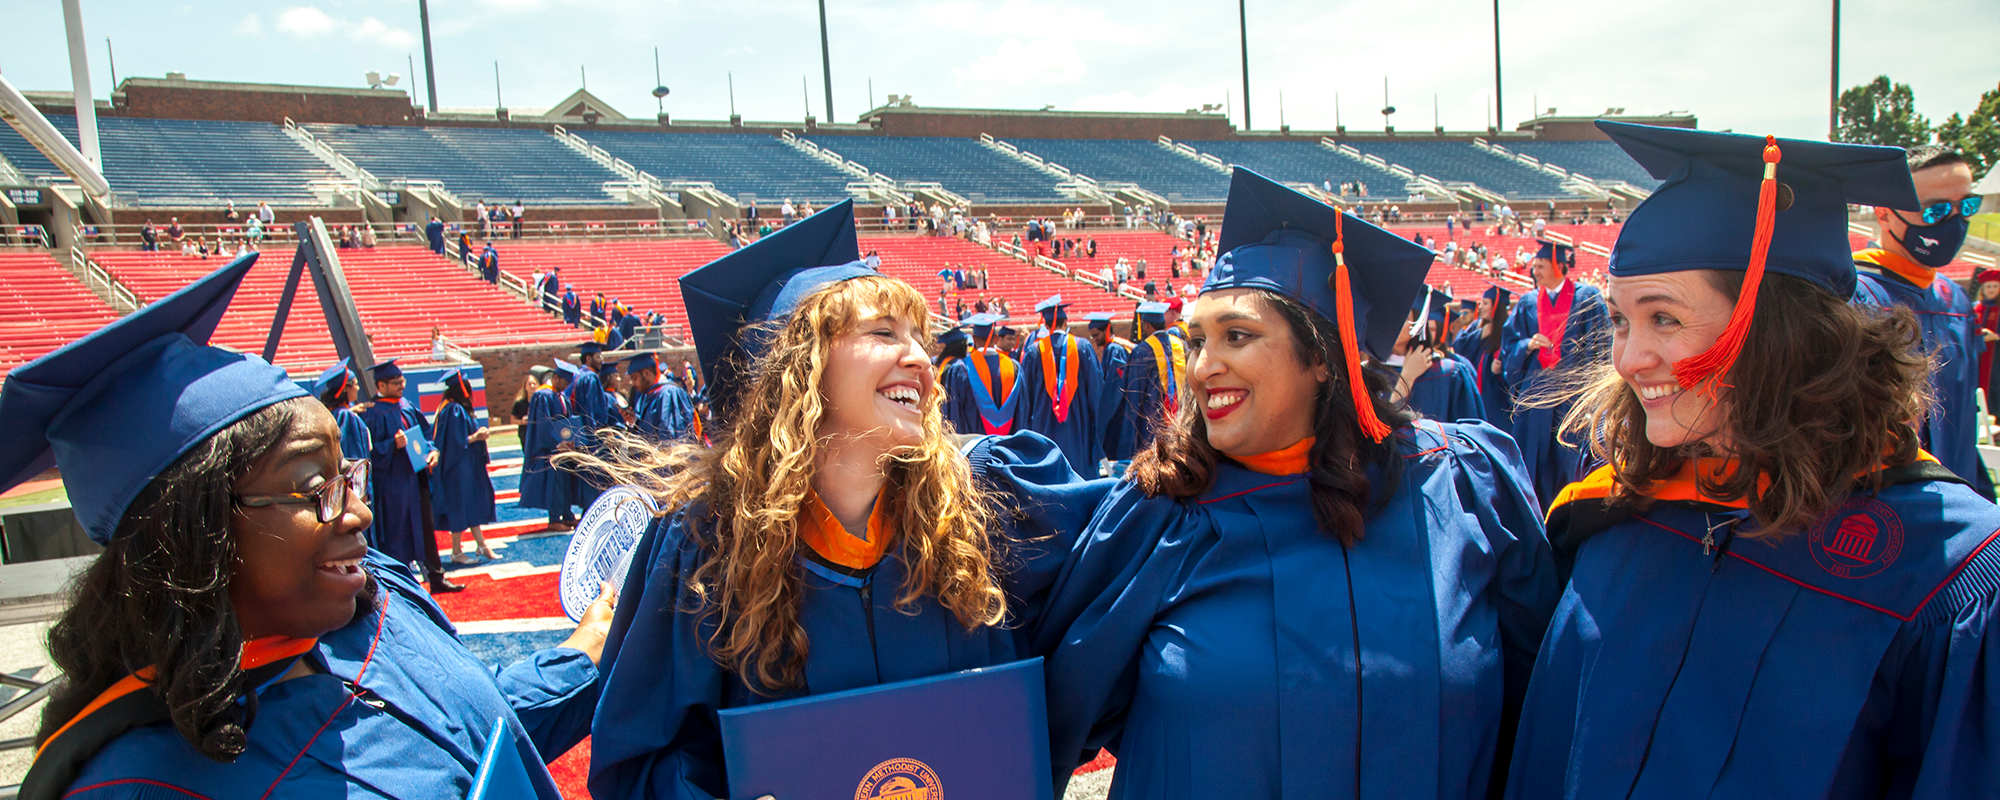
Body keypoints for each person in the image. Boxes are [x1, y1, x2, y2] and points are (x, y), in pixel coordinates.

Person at [1506, 120, 2000, 798]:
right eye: (1620, 320)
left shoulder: (1946, 575)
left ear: (1781, 330)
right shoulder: (1612, 520)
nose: (1628, 359)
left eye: (1665, 319)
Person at [5, 255, 612, 800]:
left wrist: (580, 658)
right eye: (316, 489)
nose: (359, 513)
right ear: (195, 538)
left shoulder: (376, 603)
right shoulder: (142, 785)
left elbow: (477, 728)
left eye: (346, 477)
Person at [1039, 169, 1556, 799]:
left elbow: (1545, 716)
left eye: (1238, 335)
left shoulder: (1461, 488)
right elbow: (1038, 717)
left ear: (1321, 356)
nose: (1203, 366)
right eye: (1197, 340)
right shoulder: (1160, 517)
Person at [584, 200, 1110, 800]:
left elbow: (1122, 576)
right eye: (884, 332)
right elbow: (646, 760)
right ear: (799, 369)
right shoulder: (706, 551)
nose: (920, 357)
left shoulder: (985, 508)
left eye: (919, 337)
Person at [1852, 144, 1992, 496]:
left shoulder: (1955, 299)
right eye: (1935, 211)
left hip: (1959, 492)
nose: (1954, 222)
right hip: (1885, 505)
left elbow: (1962, 419)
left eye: (1967, 207)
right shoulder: (1854, 295)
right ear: (1884, 214)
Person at [1501, 239, 1611, 506]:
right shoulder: (1527, 302)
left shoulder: (1588, 297)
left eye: (1540, 266)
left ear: (1558, 266)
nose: (1534, 272)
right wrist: (1527, 344)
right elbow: (1509, 345)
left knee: (1570, 461)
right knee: (1532, 462)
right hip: (1537, 398)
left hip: (1573, 396)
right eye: (1534, 266)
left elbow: (1603, 345)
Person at [357, 359, 462, 593]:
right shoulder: (372, 413)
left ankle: (436, 577)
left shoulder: (407, 405)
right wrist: (390, 445)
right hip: (393, 484)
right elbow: (368, 452)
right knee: (398, 532)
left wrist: (433, 450)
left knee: (426, 528)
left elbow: (425, 435)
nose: (401, 386)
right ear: (381, 385)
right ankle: (402, 585)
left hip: (417, 480)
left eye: (402, 381)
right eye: (396, 383)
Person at [1013, 295, 1104, 469]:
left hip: (1043, 426)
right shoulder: (1082, 347)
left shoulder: (1034, 351)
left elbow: (1026, 398)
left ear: (1046, 325)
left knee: (1048, 473)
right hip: (1078, 427)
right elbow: (1095, 391)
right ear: (1066, 322)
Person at [432, 370, 498, 565]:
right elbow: (455, 442)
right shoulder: (454, 410)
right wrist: (476, 437)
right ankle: (455, 551)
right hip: (458, 468)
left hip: (466, 465)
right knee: (460, 506)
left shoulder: (453, 408)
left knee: (469, 504)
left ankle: (481, 545)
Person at [1394, 287, 1484, 423]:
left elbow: (1471, 433)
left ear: (1419, 323)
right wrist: (1407, 377)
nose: (1392, 323)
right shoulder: (1367, 374)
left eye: (1404, 317)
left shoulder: (1450, 373)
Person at [941, 313, 1023, 436]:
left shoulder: (961, 370)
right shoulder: (1014, 368)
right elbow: (1023, 412)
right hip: (1007, 448)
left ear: (973, 339)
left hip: (974, 450)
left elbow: (954, 416)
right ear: (996, 338)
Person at [1121, 302, 1186, 454]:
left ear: (1147, 325)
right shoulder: (1181, 345)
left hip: (1152, 423)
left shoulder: (1143, 351)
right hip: (1180, 418)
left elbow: (1134, 396)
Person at [521, 361, 578, 532]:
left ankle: (567, 515)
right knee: (555, 485)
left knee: (566, 482)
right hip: (552, 449)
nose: (567, 386)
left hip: (564, 448)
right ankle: (554, 518)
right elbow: (543, 424)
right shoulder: (543, 395)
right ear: (555, 378)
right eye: (564, 382)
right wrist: (557, 443)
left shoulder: (561, 396)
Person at [1453, 285, 1516, 434]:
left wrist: (1501, 371)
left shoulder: (1509, 329)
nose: (1481, 307)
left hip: (1497, 399)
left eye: (1486, 303)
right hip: (1478, 394)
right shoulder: (1477, 326)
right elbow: (1459, 347)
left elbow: (1517, 360)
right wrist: (1480, 334)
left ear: (1496, 306)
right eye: (1481, 303)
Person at [1085, 312, 1135, 463]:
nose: (1095, 339)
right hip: (1116, 411)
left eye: (1097, 335)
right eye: (1092, 336)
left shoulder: (1115, 350)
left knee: (1112, 452)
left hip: (1116, 412)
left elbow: (1114, 387)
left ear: (1107, 329)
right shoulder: (1111, 348)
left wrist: (1101, 415)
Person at [624, 352, 695, 442]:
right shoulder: (647, 395)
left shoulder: (669, 394)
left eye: (635, 378)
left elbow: (672, 437)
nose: (633, 384)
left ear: (646, 373)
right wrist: (633, 421)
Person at [1976, 269, 2000, 417]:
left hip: (1997, 359)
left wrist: (1996, 337)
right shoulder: (1976, 309)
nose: (1991, 289)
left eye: (1995, 286)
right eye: (1988, 286)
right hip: (1978, 358)